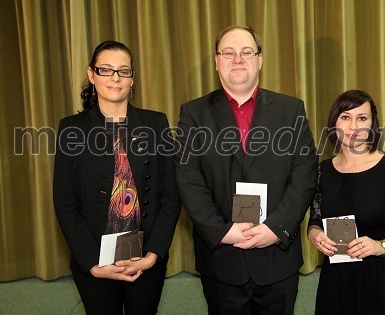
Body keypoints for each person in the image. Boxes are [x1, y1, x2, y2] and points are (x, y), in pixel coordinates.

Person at [175, 25, 318, 314]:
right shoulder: (194, 113)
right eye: (228, 52)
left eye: (246, 52)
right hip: (222, 258)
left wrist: (275, 228)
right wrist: (223, 231)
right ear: (216, 61)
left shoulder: (291, 110)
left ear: (260, 59)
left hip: (277, 255)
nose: (237, 59)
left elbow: (305, 173)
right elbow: (188, 179)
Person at [53, 40, 181, 314]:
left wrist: (152, 255)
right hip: (94, 262)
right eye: (106, 70)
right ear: (91, 74)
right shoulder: (70, 129)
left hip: (145, 258)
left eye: (123, 71)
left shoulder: (156, 123)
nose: (115, 78)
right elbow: (65, 203)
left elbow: (170, 196)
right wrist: (91, 263)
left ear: (132, 79)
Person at [307, 90, 385, 314]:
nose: (353, 126)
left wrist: (379, 246)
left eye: (362, 118)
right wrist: (314, 234)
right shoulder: (322, 171)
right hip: (337, 280)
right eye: (345, 117)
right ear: (334, 122)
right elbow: (315, 218)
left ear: (372, 124)